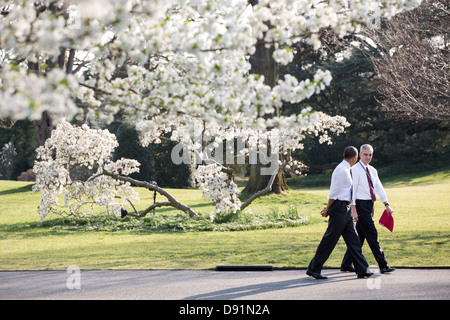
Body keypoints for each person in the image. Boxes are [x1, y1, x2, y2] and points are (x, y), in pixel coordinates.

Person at [306, 146, 373, 279]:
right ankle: (314, 268)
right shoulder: (342, 171)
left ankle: (362, 269)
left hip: (345, 208)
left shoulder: (347, 169)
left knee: (354, 239)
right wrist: (327, 208)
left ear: (344, 155)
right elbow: (334, 193)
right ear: (354, 157)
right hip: (339, 208)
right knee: (329, 239)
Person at [340, 144, 396, 274]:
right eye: (365, 154)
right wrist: (354, 209)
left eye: (370, 154)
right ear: (360, 155)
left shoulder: (373, 170)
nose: (368, 157)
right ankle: (383, 265)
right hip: (360, 205)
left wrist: (386, 204)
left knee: (360, 236)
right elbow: (352, 191)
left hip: (370, 205)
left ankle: (346, 264)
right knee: (372, 235)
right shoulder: (355, 170)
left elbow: (379, 187)